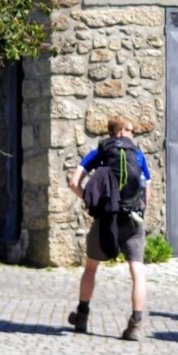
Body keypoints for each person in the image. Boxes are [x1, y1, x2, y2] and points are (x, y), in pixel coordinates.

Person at [66, 116, 152, 341]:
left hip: (106, 219)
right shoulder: (139, 155)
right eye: (132, 130)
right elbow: (147, 192)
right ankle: (136, 324)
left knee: (91, 268)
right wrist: (139, 211)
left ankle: (82, 316)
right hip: (133, 219)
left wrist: (91, 199)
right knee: (138, 272)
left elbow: (73, 182)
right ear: (122, 131)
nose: (133, 135)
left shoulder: (98, 153)